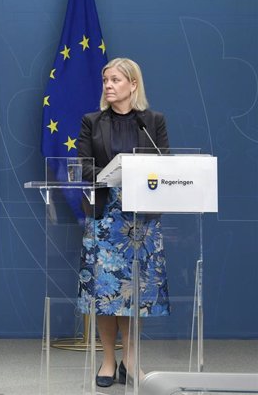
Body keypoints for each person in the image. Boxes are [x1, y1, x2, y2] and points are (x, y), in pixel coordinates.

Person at [76, 58, 170, 388]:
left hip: (139, 218)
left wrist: (135, 174)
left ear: (133, 84)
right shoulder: (92, 121)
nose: (108, 85)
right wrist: (108, 176)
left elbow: (164, 165)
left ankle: (130, 361)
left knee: (133, 292)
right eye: (105, 80)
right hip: (104, 216)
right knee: (104, 292)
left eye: (115, 80)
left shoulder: (152, 121)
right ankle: (107, 360)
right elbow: (83, 167)